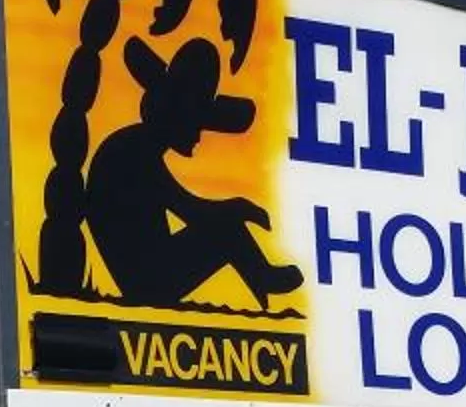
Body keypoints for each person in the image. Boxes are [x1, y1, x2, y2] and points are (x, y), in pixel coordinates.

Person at [79, 37, 303, 311]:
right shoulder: (133, 151)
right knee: (226, 229)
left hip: (146, 266)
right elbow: (190, 209)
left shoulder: (135, 145)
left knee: (226, 225)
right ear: (177, 117)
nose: (198, 136)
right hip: (146, 280)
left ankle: (261, 277)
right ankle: (263, 277)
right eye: (197, 124)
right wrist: (239, 208)